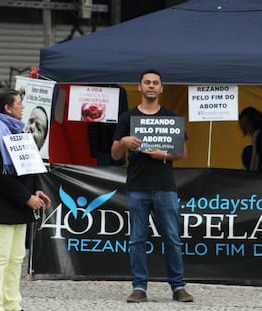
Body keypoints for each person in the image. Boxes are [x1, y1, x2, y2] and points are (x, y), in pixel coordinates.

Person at [111, 69, 193, 303]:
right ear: (139, 87)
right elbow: (114, 153)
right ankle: (139, 287)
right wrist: (124, 142)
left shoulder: (170, 116)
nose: (151, 86)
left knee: (172, 238)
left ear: (161, 88)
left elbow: (183, 154)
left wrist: (164, 155)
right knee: (137, 239)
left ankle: (178, 287)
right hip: (138, 186)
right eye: (147, 82)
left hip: (165, 186)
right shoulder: (127, 118)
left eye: (155, 83)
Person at [0, 89, 51, 311]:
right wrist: (26, 197)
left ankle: (12, 304)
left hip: (19, 207)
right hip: (0, 208)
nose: (22, 107)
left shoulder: (20, 134)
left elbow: (30, 168)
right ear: (7, 108)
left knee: (15, 259)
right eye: (19, 104)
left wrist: (37, 190)